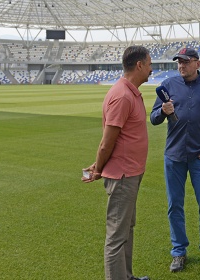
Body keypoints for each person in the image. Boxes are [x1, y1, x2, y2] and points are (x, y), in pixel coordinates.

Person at [150, 48, 200, 273]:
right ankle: (179, 252)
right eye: (179, 63)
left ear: (197, 64)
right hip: (174, 155)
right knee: (175, 205)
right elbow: (154, 118)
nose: (181, 66)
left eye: (186, 62)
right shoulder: (168, 85)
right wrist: (163, 111)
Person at [82, 45, 153, 280]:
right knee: (116, 236)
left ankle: (127, 276)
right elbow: (106, 142)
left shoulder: (130, 92)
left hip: (130, 173)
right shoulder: (122, 95)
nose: (152, 69)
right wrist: (98, 168)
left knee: (126, 230)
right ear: (139, 65)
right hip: (122, 176)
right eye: (150, 64)